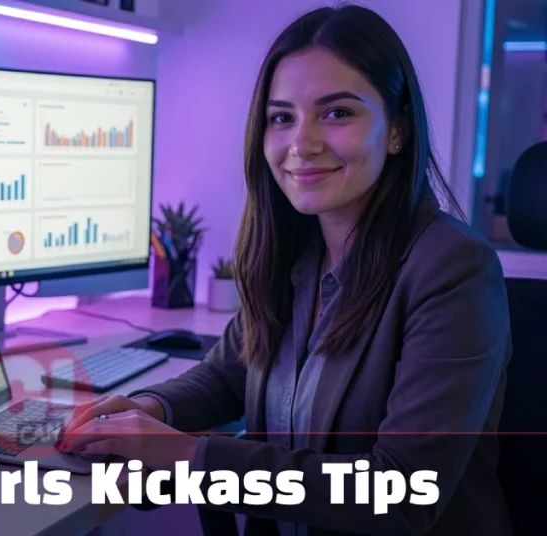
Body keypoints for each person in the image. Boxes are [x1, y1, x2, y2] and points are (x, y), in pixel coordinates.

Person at [57, 4, 512, 536]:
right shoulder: (296, 252)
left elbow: (403, 492)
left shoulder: (452, 268)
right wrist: (146, 408)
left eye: (337, 113)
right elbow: (228, 374)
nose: (302, 144)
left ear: (397, 131)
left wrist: (189, 458)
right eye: (282, 117)